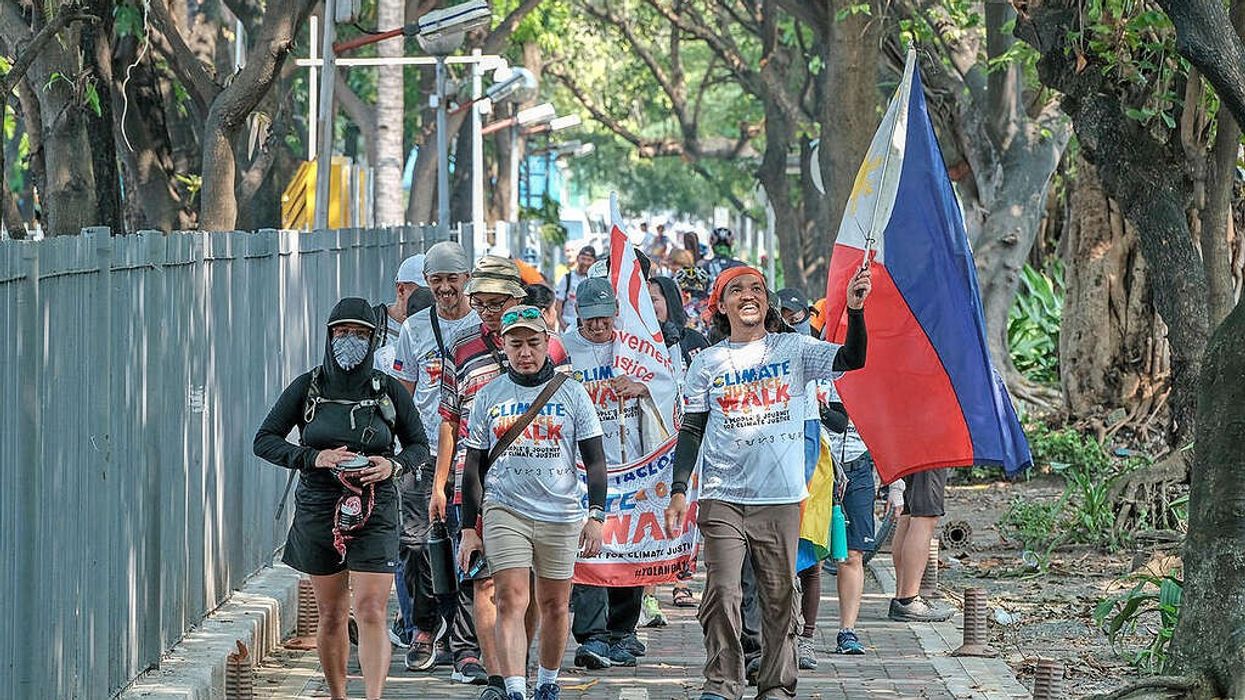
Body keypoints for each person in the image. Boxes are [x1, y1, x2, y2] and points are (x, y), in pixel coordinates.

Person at [664, 264, 871, 700]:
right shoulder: (706, 362)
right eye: (736, 290)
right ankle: (722, 683)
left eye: (756, 288)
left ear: (766, 301)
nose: (748, 295)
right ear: (721, 306)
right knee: (722, 592)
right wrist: (679, 490)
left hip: (780, 498)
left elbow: (853, 359)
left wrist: (855, 311)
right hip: (722, 497)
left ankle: (776, 684)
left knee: (778, 596)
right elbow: (692, 430)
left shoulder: (794, 348)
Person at [253, 298, 430, 700]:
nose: (351, 340)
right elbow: (264, 441)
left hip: (375, 505)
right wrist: (314, 457)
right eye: (343, 332)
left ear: (374, 339)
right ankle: (338, 693)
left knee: (370, 608)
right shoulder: (308, 387)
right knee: (332, 613)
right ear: (329, 336)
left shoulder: (387, 389)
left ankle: (373, 695)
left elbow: (419, 445)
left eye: (361, 334)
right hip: (320, 507)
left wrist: (392, 466)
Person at [432, 255, 571, 691]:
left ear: (516, 298)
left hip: (541, 483)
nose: (488, 313)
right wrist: (440, 484)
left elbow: (570, 414)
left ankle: (519, 671)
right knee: (485, 582)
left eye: (496, 303)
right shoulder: (462, 347)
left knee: (525, 588)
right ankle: (499, 678)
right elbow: (449, 418)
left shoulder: (552, 347)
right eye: (480, 303)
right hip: (476, 480)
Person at [458, 305, 608, 700]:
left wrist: (596, 516)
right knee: (510, 599)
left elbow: (595, 461)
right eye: (516, 344)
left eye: (533, 343)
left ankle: (546, 682)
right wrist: (469, 529)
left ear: (547, 343)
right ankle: (514, 689)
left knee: (555, 604)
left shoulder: (572, 393)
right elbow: (473, 467)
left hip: (561, 513)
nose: (525, 352)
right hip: (505, 509)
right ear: (503, 346)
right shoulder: (488, 396)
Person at [388, 241, 478, 671]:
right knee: (416, 543)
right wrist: (395, 448)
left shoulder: (482, 326)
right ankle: (423, 627)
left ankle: (463, 640)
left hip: (473, 453)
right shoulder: (415, 328)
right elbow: (403, 392)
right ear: (426, 281)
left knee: (466, 544)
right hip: (423, 451)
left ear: (467, 279)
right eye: (436, 280)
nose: (445, 288)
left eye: (452, 279)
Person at [561, 278, 649, 669]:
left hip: (632, 464)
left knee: (630, 548)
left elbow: (669, 387)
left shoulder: (633, 345)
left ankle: (622, 631)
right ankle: (593, 635)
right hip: (582, 467)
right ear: (578, 314)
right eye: (590, 319)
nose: (598, 326)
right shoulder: (563, 348)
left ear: (616, 312)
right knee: (590, 550)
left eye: (605, 318)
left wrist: (641, 388)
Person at [889, 470, 952, 621]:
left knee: (908, 514)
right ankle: (909, 599)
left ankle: (902, 597)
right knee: (925, 516)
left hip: (914, 457)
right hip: (929, 458)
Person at [554, 246, 597, 332]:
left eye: (589, 260)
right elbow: (558, 305)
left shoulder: (595, 281)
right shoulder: (567, 278)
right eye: (583, 259)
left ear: (594, 262)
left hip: (587, 328)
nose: (585, 263)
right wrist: (564, 326)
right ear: (578, 258)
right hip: (568, 324)